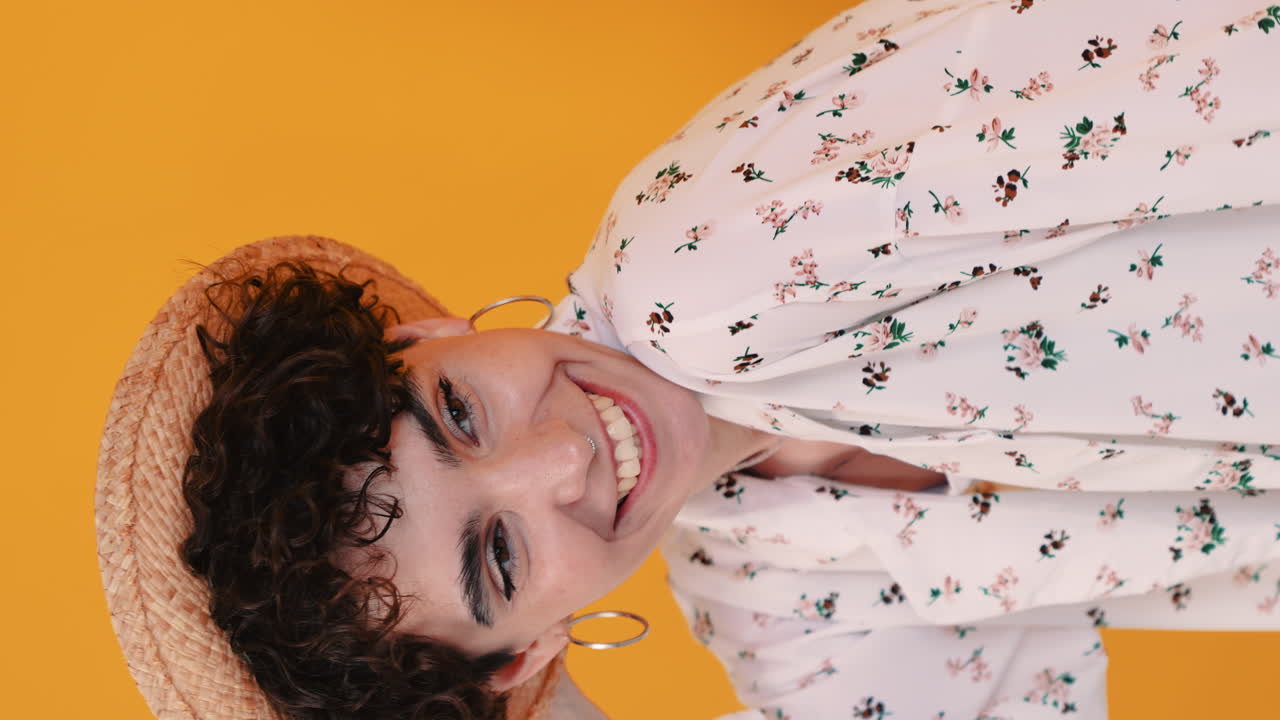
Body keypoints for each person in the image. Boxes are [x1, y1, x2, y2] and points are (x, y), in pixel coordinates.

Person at [96, 1, 1280, 719]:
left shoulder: (704, 280)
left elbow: (1217, 78)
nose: (558, 460)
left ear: (428, 337)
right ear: (524, 655)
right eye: (499, 557)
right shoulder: (764, 572)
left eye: (458, 415)